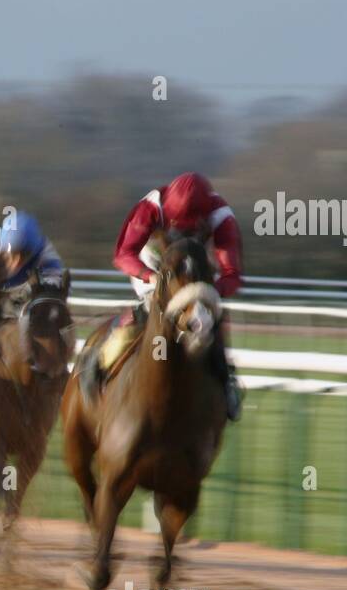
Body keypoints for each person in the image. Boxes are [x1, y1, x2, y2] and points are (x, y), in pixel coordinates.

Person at [87, 171, 243, 419]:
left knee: (210, 317)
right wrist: (150, 276)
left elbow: (231, 274)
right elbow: (123, 255)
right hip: (154, 264)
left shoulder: (221, 216)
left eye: (190, 227)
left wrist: (210, 292)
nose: (182, 230)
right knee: (151, 309)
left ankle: (226, 380)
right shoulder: (150, 207)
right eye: (177, 225)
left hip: (196, 268)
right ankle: (102, 364)